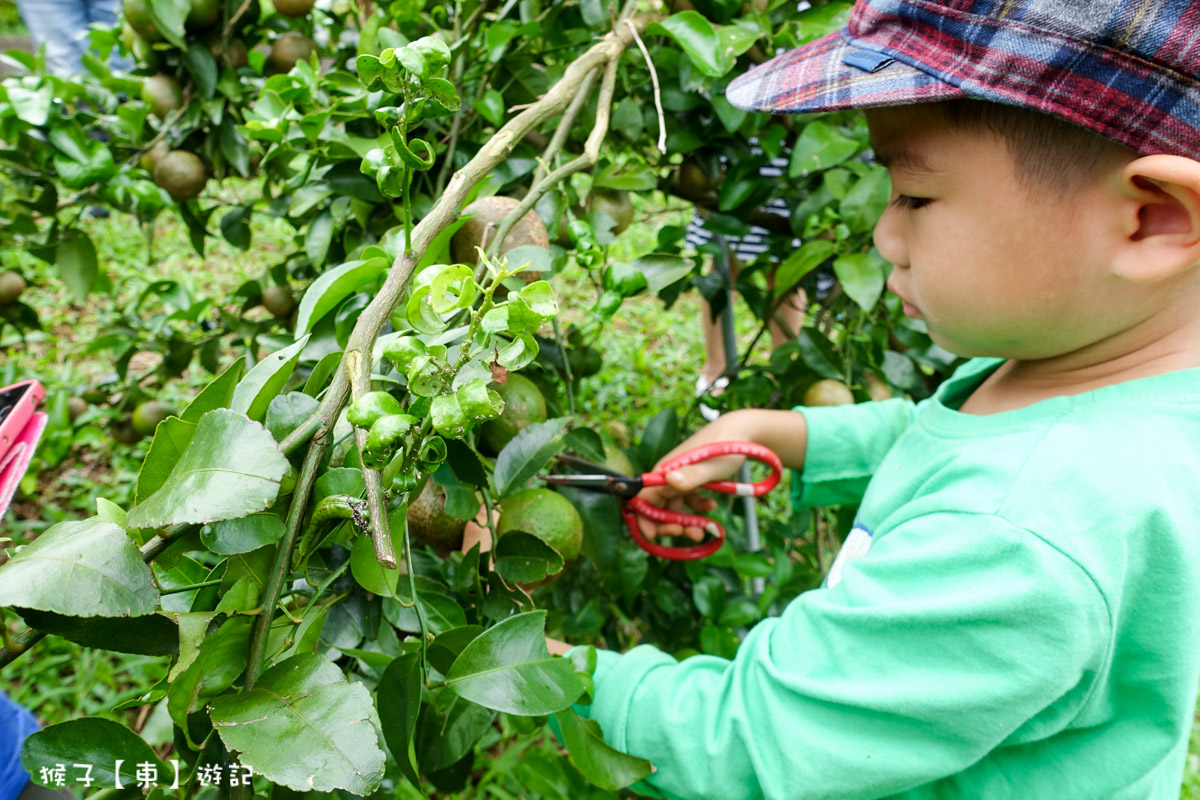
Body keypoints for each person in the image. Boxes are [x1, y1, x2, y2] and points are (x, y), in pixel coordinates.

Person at [552, 0, 1200, 797]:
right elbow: (948, 431)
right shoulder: (1106, 385)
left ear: (1151, 220)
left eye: (915, 198)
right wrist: (791, 434)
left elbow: (748, 743)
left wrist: (527, 672)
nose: (884, 239)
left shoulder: (1015, 536)